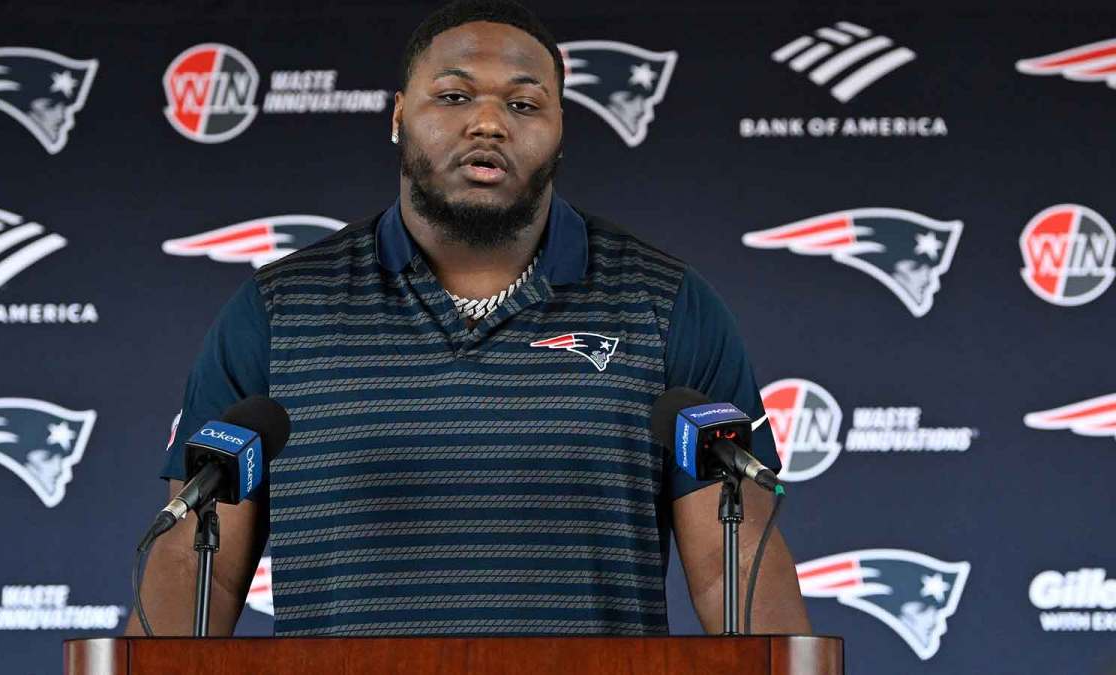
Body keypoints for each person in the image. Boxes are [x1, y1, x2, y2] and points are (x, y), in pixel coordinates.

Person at [128, 0, 809, 637]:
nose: (488, 123)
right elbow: (201, 574)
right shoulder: (278, 311)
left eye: (523, 102)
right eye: (453, 96)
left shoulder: (667, 304)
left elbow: (734, 569)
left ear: (561, 128)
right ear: (398, 115)